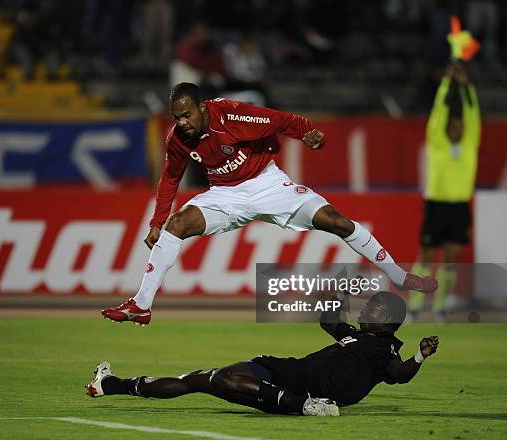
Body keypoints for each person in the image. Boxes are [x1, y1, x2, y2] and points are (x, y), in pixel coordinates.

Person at [102, 82, 437, 325]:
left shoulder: (233, 116)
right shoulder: (177, 139)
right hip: (225, 194)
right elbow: (170, 178)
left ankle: (399, 275)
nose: (182, 122)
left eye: (187, 115)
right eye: (177, 117)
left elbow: (279, 120)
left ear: (202, 108)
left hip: (268, 184)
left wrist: (308, 132)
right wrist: (157, 221)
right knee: (176, 226)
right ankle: (142, 304)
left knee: (337, 222)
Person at [87, 291, 440, 416]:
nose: (365, 312)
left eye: (373, 309)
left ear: (390, 321)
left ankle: (304, 406)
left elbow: (398, 374)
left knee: (217, 378)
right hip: (289, 373)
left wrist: (421, 356)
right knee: (199, 378)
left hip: (312, 387)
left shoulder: (385, 348)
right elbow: (328, 320)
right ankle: (111, 385)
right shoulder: (356, 335)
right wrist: (340, 299)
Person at [408, 62, 480, 322]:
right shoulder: (437, 143)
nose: (458, 128)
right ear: (447, 128)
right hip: (436, 204)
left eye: (460, 126)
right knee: (426, 257)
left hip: (459, 206)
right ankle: (415, 307)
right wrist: (448, 85)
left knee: (450, 260)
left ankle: (439, 309)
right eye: (454, 126)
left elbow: (472, 115)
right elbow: (439, 114)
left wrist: (466, 86)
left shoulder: (470, 144)